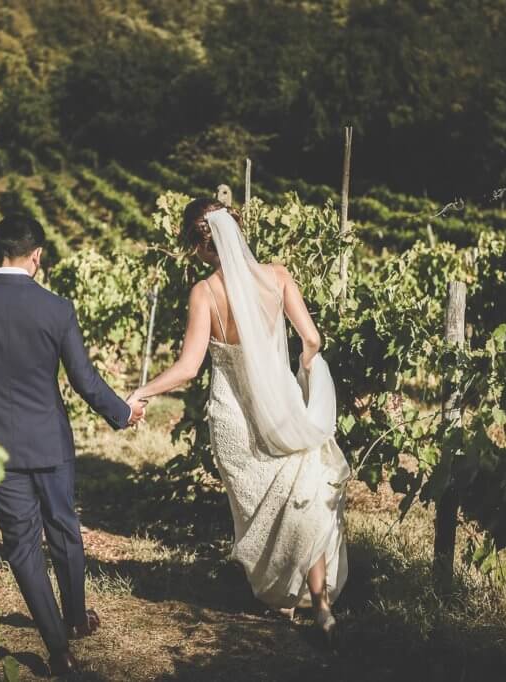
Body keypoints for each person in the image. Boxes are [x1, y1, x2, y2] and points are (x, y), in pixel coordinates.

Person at [0, 212, 146, 675]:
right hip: (50, 442)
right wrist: (122, 412)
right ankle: (75, 619)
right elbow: (85, 381)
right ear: (37, 256)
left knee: (22, 545)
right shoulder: (57, 309)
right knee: (64, 528)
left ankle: (56, 647)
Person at [128, 198, 351, 642]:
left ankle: (282, 599)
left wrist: (142, 391)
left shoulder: (205, 293)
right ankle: (320, 605)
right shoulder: (278, 276)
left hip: (235, 421)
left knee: (262, 510)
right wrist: (304, 372)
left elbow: (189, 368)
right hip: (282, 411)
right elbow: (312, 338)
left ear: (199, 246)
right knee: (304, 495)